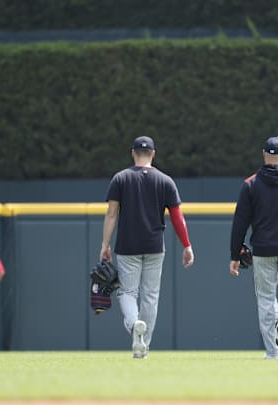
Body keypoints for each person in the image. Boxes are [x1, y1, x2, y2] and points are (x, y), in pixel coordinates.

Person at [101, 136, 195, 359]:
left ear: (133, 153)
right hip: (154, 246)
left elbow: (112, 214)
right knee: (150, 297)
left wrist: (105, 244)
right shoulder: (165, 181)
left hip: (127, 245)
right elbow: (177, 218)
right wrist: (187, 245)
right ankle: (144, 346)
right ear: (153, 154)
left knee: (127, 292)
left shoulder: (120, 178)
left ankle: (135, 327)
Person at [229, 137, 278, 359]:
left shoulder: (251, 183)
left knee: (265, 297)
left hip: (263, 249)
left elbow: (240, 222)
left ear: (264, 154)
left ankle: (273, 350)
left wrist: (235, 254)